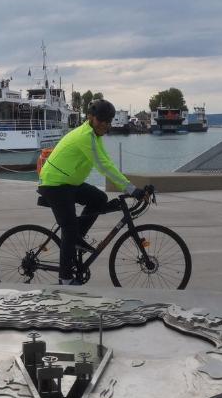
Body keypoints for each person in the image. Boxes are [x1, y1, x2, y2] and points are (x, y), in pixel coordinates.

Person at [38, 99, 147, 285]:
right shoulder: (85, 137)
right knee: (69, 229)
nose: (105, 124)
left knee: (99, 198)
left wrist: (131, 187)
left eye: (108, 121)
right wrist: (131, 189)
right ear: (90, 118)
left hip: (69, 183)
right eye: (101, 120)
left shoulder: (94, 136)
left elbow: (107, 162)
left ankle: (76, 239)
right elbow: (103, 166)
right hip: (55, 184)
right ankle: (65, 279)